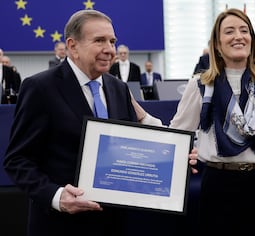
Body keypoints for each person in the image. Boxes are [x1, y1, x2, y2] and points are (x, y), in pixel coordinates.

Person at [2, 9, 164, 236]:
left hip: (113, 223)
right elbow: (17, 160)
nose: (109, 49)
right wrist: (57, 196)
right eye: (99, 41)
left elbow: (133, 150)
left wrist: (173, 157)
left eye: (112, 41)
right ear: (73, 46)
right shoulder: (40, 88)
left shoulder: (118, 88)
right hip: (60, 225)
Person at [168, 8, 255, 236]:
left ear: (251, 39)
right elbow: (178, 132)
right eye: (229, 31)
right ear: (217, 43)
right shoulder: (201, 84)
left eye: (244, 30)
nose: (238, 36)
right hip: (218, 183)